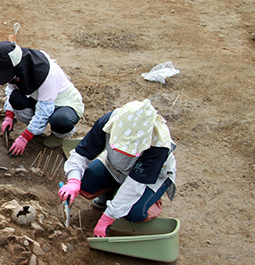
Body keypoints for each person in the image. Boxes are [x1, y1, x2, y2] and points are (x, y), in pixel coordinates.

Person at [58, 99, 177, 237]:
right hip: (114, 164)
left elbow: (134, 185)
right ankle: (111, 192)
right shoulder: (109, 121)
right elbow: (81, 153)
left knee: (134, 213)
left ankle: (149, 202)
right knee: (85, 183)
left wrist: (107, 218)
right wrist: (73, 180)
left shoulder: (159, 145)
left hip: (149, 177)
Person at [0, 41, 84, 157]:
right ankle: (34, 129)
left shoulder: (47, 74)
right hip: (36, 98)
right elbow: (11, 90)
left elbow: (44, 110)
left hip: (62, 103)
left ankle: (58, 135)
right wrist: (9, 115)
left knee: (61, 121)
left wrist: (25, 136)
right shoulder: (18, 67)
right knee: (15, 98)